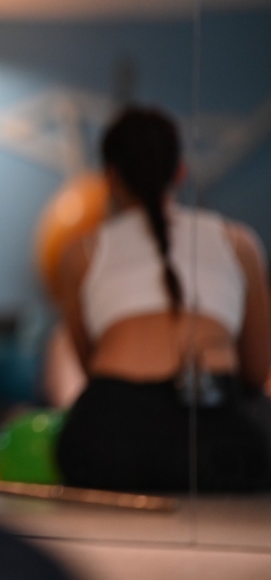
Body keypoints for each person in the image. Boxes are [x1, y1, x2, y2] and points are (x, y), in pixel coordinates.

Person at [56, 106, 271, 491]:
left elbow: (90, 365)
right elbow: (257, 370)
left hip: (109, 437)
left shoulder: (81, 253)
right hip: (213, 433)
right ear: (180, 171)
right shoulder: (240, 243)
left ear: (111, 178)